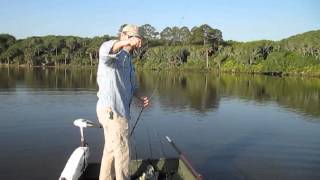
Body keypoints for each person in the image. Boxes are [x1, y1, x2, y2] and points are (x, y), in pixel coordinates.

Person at [96, 24, 149, 180]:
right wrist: (125, 43)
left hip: (117, 112)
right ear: (123, 35)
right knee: (123, 152)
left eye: (138, 38)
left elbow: (132, 86)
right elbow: (105, 52)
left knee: (111, 149)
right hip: (113, 112)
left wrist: (140, 97)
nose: (136, 41)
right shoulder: (114, 53)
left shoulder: (129, 61)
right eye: (133, 37)